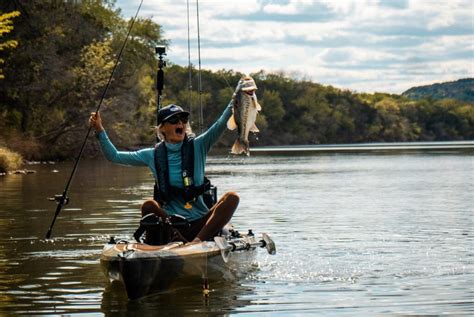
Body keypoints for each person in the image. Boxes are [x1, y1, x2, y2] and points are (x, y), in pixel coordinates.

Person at [89, 84, 245, 244]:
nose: (180, 123)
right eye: (174, 120)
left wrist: (238, 96)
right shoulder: (150, 155)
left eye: (183, 120)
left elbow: (220, 124)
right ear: (162, 128)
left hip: (201, 225)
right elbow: (114, 156)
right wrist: (100, 130)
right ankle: (169, 243)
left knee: (232, 198)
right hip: (172, 225)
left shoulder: (199, 145)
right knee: (149, 206)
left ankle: (196, 242)